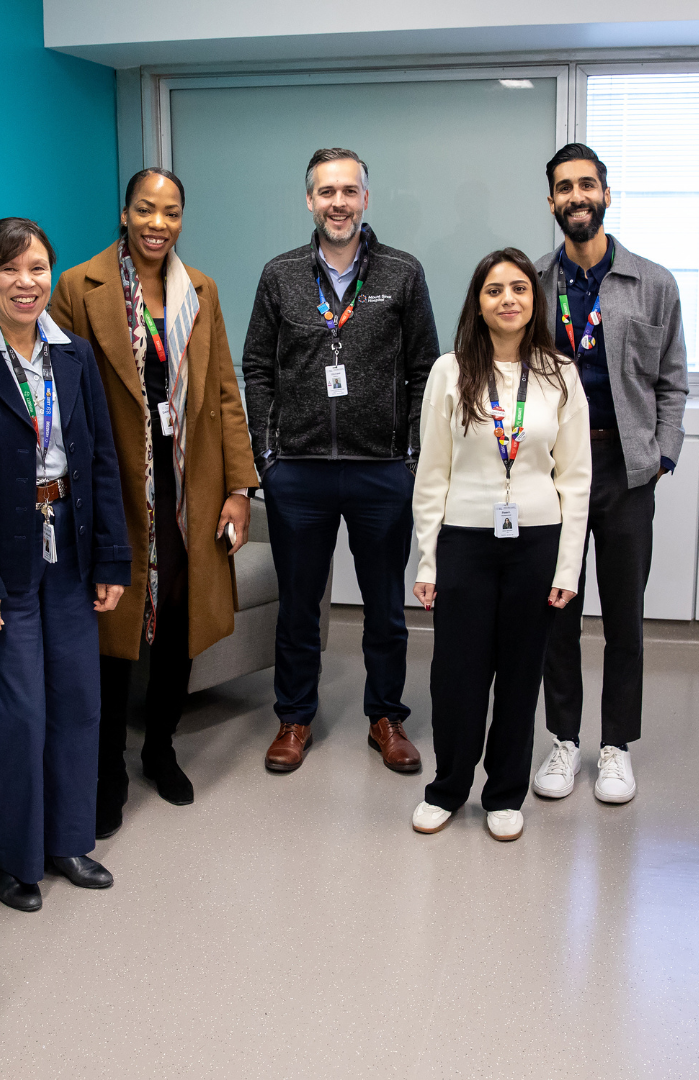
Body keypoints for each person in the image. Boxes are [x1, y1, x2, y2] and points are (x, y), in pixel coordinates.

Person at [0, 218, 130, 912]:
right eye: (9, 269)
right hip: (1, 558)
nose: (25, 282)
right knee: (15, 714)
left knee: (76, 702)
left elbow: (99, 459)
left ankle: (68, 839)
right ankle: (13, 858)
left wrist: (111, 556)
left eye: (37, 268)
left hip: (68, 547)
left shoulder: (71, 357)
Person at [52, 168, 256, 839]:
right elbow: (56, 393)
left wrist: (236, 488)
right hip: (114, 485)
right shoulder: (78, 289)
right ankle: (107, 768)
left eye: (170, 212)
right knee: (114, 627)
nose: (157, 223)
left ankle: (159, 747)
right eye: (146, 209)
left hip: (186, 482)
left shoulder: (200, 290)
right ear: (124, 213)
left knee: (177, 621)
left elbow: (224, 390)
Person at [241, 148, 439, 775]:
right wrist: (268, 454)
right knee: (298, 603)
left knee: (384, 606)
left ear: (365, 199)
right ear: (309, 200)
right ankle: (294, 717)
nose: (338, 202)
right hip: (298, 471)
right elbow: (257, 367)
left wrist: (409, 456)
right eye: (326, 191)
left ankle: (386, 717)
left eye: (349, 191)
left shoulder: (403, 273)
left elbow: (424, 372)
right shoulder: (281, 275)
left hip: (381, 470)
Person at [409, 248, 590, 842]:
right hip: (464, 539)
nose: (508, 298)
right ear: (478, 303)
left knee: (519, 675)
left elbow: (575, 479)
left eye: (519, 288)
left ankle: (505, 793)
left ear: (533, 301)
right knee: (456, 675)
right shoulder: (449, 370)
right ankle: (447, 788)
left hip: (536, 541)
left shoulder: (559, 373)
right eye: (494, 290)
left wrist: (568, 567)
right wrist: (429, 557)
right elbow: (432, 473)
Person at [530, 143, 688, 806]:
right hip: (551, 471)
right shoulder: (532, 283)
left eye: (586, 185)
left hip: (625, 471)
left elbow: (673, 381)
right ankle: (564, 740)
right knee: (556, 610)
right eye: (564, 188)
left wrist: (662, 457)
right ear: (552, 203)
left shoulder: (653, 283)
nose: (576, 197)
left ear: (606, 194)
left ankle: (616, 745)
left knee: (625, 614)